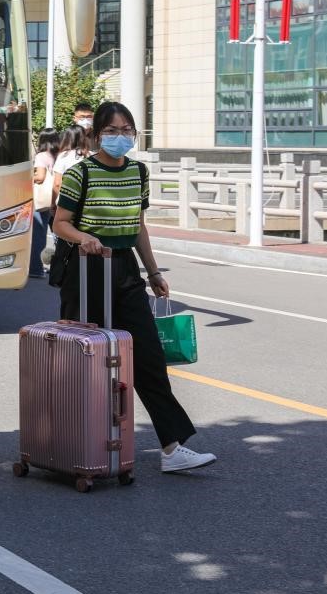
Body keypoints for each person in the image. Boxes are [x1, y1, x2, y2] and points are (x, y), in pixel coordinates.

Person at [51, 101, 217, 474]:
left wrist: (153, 272)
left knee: (148, 357)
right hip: (85, 268)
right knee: (82, 358)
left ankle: (172, 447)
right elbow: (60, 222)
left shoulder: (138, 172)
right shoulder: (81, 173)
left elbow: (138, 224)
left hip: (124, 268)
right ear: (96, 136)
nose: (120, 137)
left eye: (127, 130)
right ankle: (68, 443)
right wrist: (83, 237)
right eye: (112, 131)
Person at [29, 127, 60, 278]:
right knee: (53, 234)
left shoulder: (41, 156)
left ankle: (36, 269)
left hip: (41, 200)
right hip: (51, 199)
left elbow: (40, 177)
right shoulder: (56, 155)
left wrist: (28, 177)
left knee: (38, 235)